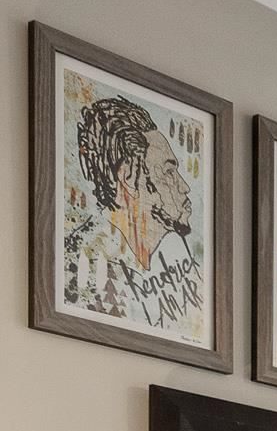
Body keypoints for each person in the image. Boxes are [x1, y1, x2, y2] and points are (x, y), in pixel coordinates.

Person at [65, 92, 199, 331]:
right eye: (169, 172)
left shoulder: (155, 269)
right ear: (128, 176)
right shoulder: (83, 267)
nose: (184, 186)